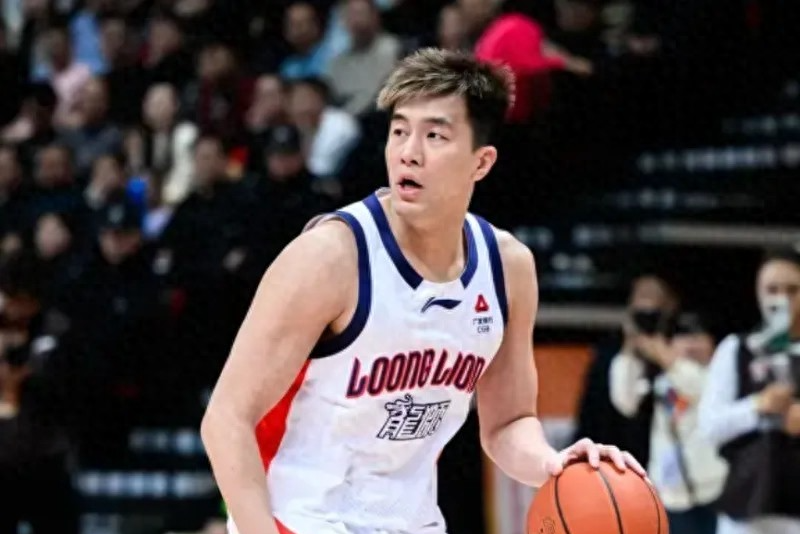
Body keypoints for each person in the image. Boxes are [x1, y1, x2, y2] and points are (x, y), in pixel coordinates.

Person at [200, 48, 644, 534]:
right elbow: (226, 418)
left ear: (481, 162)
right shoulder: (330, 257)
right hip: (299, 518)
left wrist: (554, 465)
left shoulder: (508, 268)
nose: (409, 152)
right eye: (399, 131)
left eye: (434, 135)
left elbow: (507, 423)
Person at [699, 249, 800, 534]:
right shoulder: (736, 349)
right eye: (772, 290)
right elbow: (709, 426)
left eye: (792, 290)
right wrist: (757, 406)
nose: (782, 300)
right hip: (747, 505)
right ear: (758, 293)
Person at [610, 312, 727, 534]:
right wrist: (630, 350)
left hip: (716, 490)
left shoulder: (720, 379)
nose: (691, 345)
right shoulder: (662, 379)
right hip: (670, 492)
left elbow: (696, 386)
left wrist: (662, 353)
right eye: (684, 338)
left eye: (698, 337)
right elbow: (625, 401)